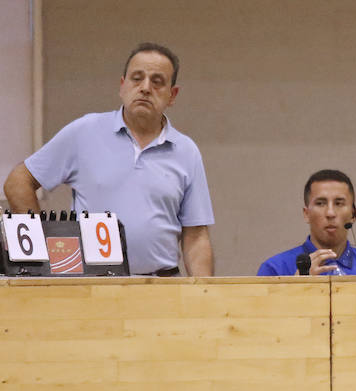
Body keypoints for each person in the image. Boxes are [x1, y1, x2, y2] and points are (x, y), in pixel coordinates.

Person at [2, 42, 214, 276]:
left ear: (172, 95)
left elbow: (196, 236)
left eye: (157, 81)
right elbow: (18, 182)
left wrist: (203, 296)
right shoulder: (84, 132)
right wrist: (42, 247)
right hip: (92, 287)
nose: (145, 88)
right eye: (137, 78)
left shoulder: (186, 151)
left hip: (162, 287)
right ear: (122, 86)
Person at [257, 169, 356, 276]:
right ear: (306, 214)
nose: (330, 213)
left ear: (353, 214)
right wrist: (295, 289)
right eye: (320, 203)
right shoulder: (275, 270)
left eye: (339, 203)